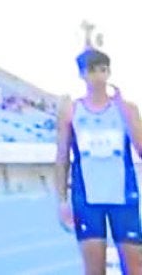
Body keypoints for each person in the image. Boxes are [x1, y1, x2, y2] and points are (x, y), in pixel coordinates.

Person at [55, 48, 142, 274]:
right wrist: (62, 201)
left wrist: (126, 113)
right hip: (87, 199)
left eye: (103, 70)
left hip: (123, 197)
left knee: (135, 268)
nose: (98, 76)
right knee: (94, 270)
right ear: (82, 75)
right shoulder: (71, 111)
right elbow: (62, 157)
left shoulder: (127, 109)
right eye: (92, 71)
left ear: (109, 72)